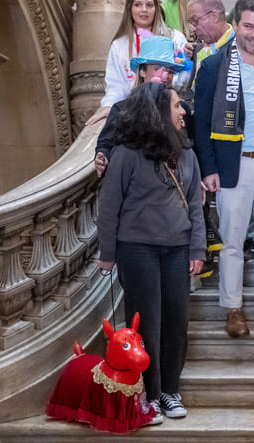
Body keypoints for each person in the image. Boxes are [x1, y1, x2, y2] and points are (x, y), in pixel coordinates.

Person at [96, 82, 205, 423]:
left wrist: (197, 248)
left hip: (177, 249)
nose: (183, 111)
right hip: (136, 249)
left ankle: (171, 391)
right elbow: (109, 206)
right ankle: (150, 394)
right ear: (158, 112)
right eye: (176, 106)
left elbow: (197, 210)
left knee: (176, 323)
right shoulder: (126, 154)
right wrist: (107, 253)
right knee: (146, 326)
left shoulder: (187, 154)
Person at [193, 0, 254, 337]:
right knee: (232, 240)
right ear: (235, 25)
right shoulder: (215, 66)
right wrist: (208, 167)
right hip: (235, 166)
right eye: (248, 26)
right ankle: (233, 309)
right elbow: (200, 123)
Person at [92, 0, 188, 124]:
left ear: (156, 8)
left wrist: (170, 79)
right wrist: (109, 106)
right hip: (134, 115)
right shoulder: (119, 45)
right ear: (130, 9)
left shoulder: (175, 38)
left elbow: (186, 74)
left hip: (169, 112)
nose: (144, 10)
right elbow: (116, 86)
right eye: (138, 4)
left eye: (149, 5)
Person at [95, 36, 185, 176]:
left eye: (170, 71)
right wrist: (103, 157)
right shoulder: (123, 109)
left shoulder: (181, 110)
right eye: (157, 68)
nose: (165, 75)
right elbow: (106, 142)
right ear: (142, 71)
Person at [187, 0, 233, 72]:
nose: (192, 29)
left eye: (195, 20)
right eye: (190, 22)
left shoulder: (239, 50)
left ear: (215, 17)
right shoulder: (199, 49)